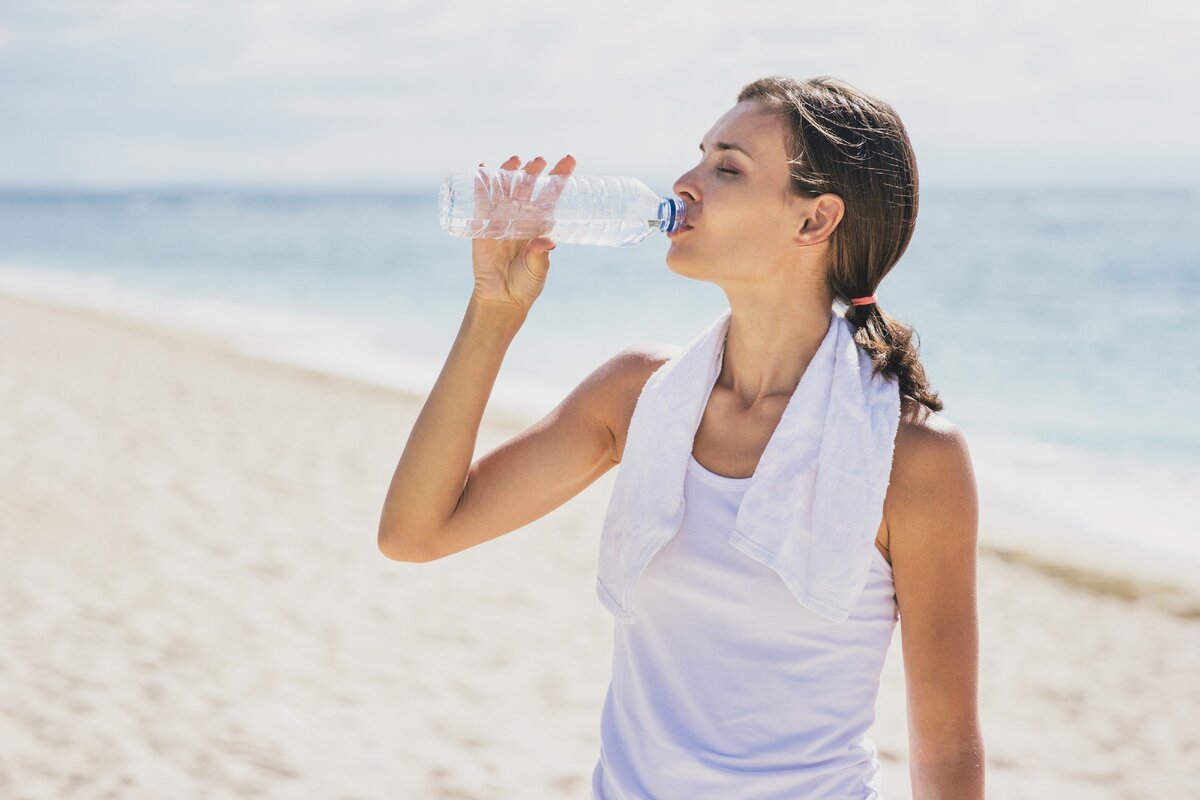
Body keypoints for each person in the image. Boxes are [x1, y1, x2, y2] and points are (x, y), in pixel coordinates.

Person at [378, 74, 984, 799]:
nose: (684, 183)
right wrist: (495, 309)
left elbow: (946, 747)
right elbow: (415, 533)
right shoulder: (638, 397)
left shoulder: (911, 457)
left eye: (727, 168)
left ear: (815, 220)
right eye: (700, 157)